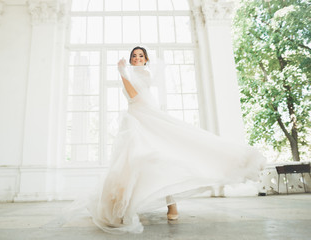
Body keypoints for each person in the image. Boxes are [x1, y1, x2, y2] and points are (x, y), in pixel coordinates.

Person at [86, 46, 265, 234]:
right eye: (134, 56)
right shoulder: (129, 74)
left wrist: (122, 73)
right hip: (134, 119)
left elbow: (135, 96)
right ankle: (122, 208)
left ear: (146, 59)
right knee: (133, 163)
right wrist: (124, 73)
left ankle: (172, 205)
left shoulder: (143, 74)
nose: (137, 58)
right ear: (130, 60)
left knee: (164, 157)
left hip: (148, 118)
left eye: (141, 56)